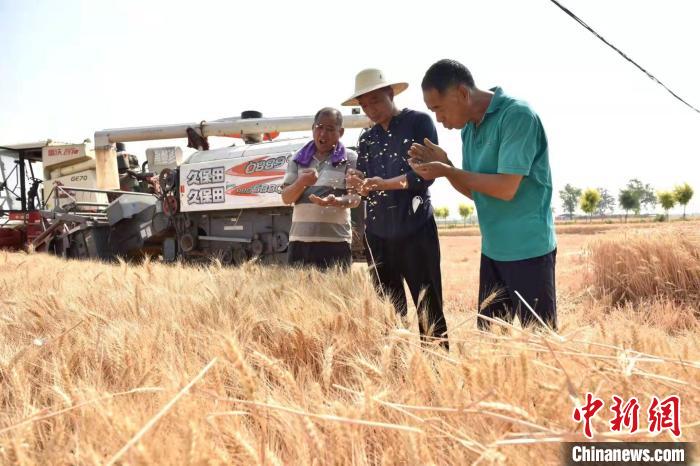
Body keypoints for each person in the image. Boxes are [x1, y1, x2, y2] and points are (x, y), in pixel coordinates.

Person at [408, 59, 557, 331]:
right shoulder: (468, 129)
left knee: (540, 344)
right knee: (491, 343)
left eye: (439, 109)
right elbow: (477, 193)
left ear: (462, 93)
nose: (439, 120)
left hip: (528, 250)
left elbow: (505, 188)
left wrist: (447, 170)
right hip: (493, 250)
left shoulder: (517, 116)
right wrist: (449, 168)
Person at [342, 68, 448, 348]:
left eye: (375, 101)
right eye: (364, 106)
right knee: (389, 312)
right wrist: (357, 183)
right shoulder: (367, 138)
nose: (370, 110)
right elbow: (365, 184)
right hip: (377, 235)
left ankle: (438, 372)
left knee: (429, 309)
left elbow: (427, 173)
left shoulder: (418, 123)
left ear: (391, 93)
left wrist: (384, 184)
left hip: (416, 229)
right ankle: (398, 371)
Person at [281, 107, 360, 269]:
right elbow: (286, 198)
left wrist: (335, 201)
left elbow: (355, 199)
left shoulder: (350, 158)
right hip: (300, 243)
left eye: (330, 129)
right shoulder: (296, 159)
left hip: (336, 243)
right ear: (313, 128)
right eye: (319, 127)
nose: (323, 134)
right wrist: (301, 182)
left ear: (341, 132)